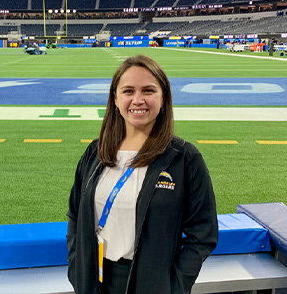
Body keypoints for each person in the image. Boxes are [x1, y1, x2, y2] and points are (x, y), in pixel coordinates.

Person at [67, 54, 218, 294]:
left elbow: (203, 233)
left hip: (151, 285)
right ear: (115, 99)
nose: (138, 100)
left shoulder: (184, 158)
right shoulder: (95, 153)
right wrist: (77, 267)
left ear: (163, 98)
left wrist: (174, 286)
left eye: (148, 91)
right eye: (128, 91)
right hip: (93, 280)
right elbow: (75, 214)